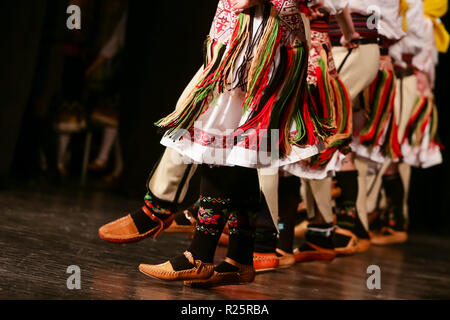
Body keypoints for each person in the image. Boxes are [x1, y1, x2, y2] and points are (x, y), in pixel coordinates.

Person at [135, 0, 325, 288]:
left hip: (262, 37)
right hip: (246, 33)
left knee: (220, 141)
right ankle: (240, 257)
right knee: (238, 152)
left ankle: (199, 255)